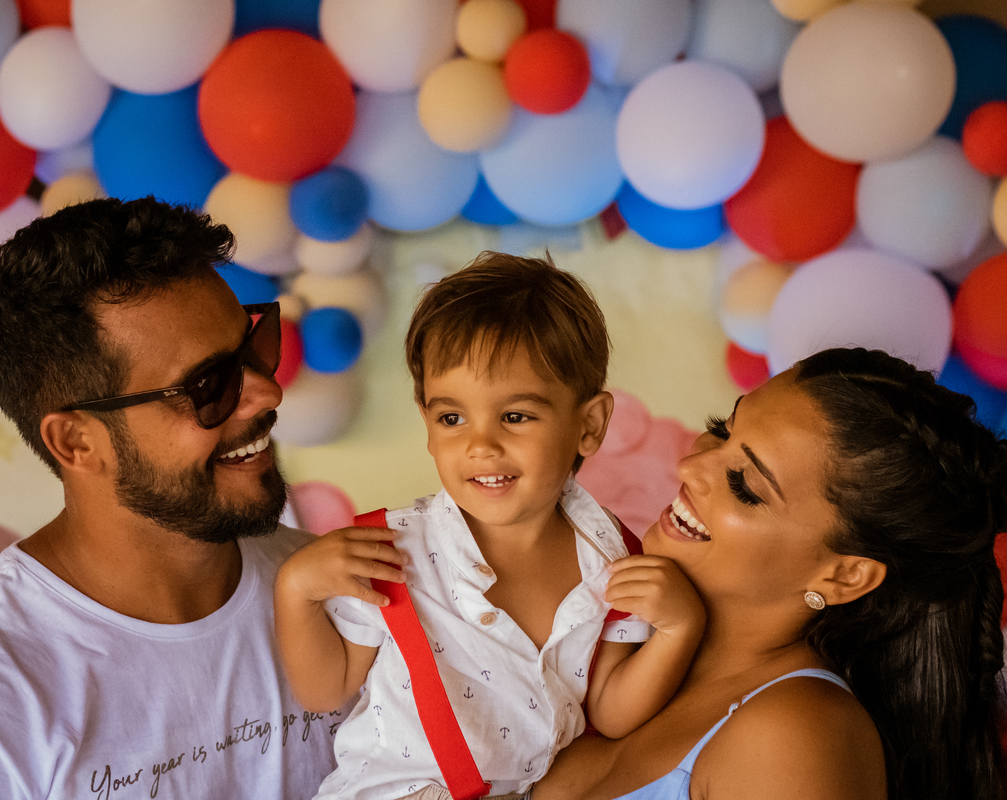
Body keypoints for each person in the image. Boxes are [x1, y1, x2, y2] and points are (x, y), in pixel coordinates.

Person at [0, 198, 344, 799]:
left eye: (254, 348)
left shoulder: (334, 590)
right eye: (208, 384)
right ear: (77, 442)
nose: (268, 393)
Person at [274, 253, 706, 800]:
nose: (480, 445)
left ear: (589, 424)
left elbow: (610, 711)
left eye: (515, 416)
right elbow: (325, 690)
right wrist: (296, 589)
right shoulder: (389, 551)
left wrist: (678, 630)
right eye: (451, 418)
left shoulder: (615, 557)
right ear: (427, 422)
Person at [533, 346, 1007, 800]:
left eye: (745, 485)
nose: (689, 466)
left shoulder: (796, 737)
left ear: (844, 576)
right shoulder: (610, 635)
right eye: (721, 430)